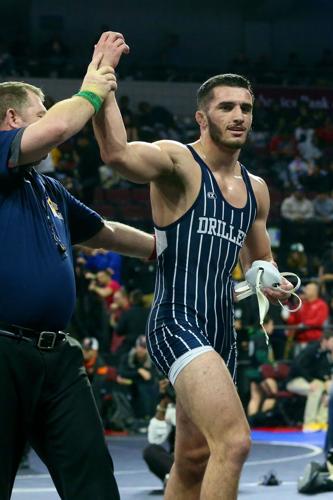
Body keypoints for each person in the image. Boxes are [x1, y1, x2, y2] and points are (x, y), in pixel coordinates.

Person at [92, 31, 291, 500]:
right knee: (235, 442)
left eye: (245, 108)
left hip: (223, 331)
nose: (239, 115)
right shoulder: (179, 162)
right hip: (178, 320)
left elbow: (260, 259)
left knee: (193, 461)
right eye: (227, 107)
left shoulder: (256, 188)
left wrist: (272, 280)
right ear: (202, 117)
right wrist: (102, 82)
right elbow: (116, 153)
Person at [0, 34, 155, 500]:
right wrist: (97, 76)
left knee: (94, 484)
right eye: (40, 111)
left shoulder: (47, 188)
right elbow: (57, 130)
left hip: (58, 359)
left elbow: (106, 231)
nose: (47, 122)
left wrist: (169, 250)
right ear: (11, 119)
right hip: (3, 353)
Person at [286, 330, 333, 432]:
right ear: (325, 340)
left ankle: (321, 421)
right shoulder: (311, 349)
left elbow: (321, 371)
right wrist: (310, 380)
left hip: (310, 380)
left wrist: (327, 381)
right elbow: (297, 365)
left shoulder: (325, 353)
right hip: (294, 381)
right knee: (316, 389)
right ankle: (309, 423)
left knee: (328, 390)